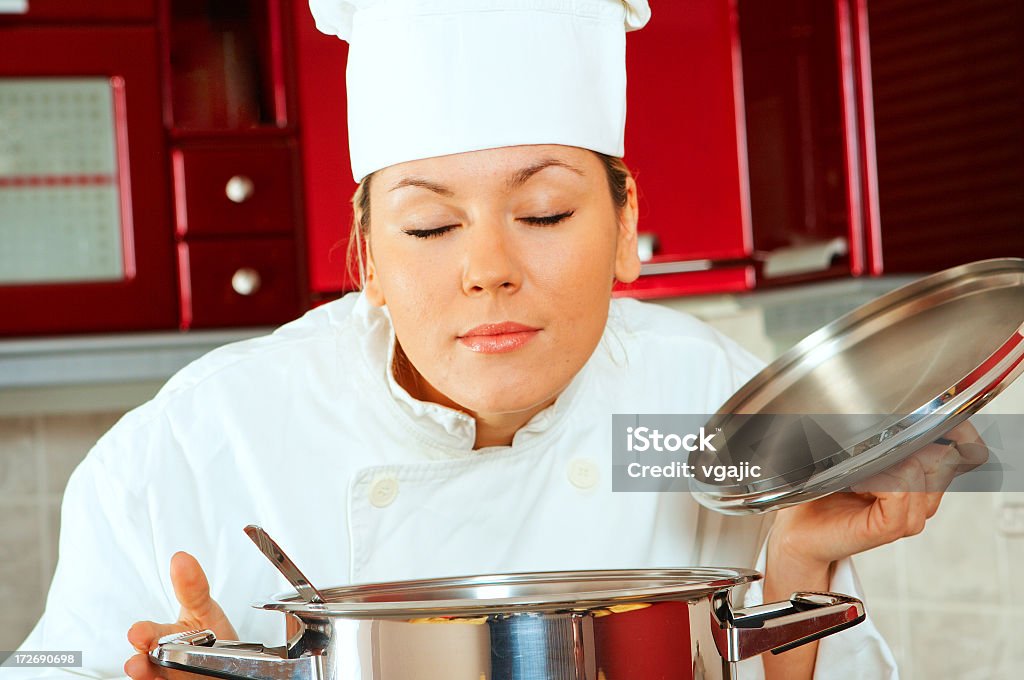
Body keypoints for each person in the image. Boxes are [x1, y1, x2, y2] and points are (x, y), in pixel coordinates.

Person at [6, 2, 988, 679]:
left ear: (625, 222)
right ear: (367, 257)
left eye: (547, 212)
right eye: (430, 227)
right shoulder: (186, 447)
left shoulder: (716, 409)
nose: (487, 269)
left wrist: (799, 563)